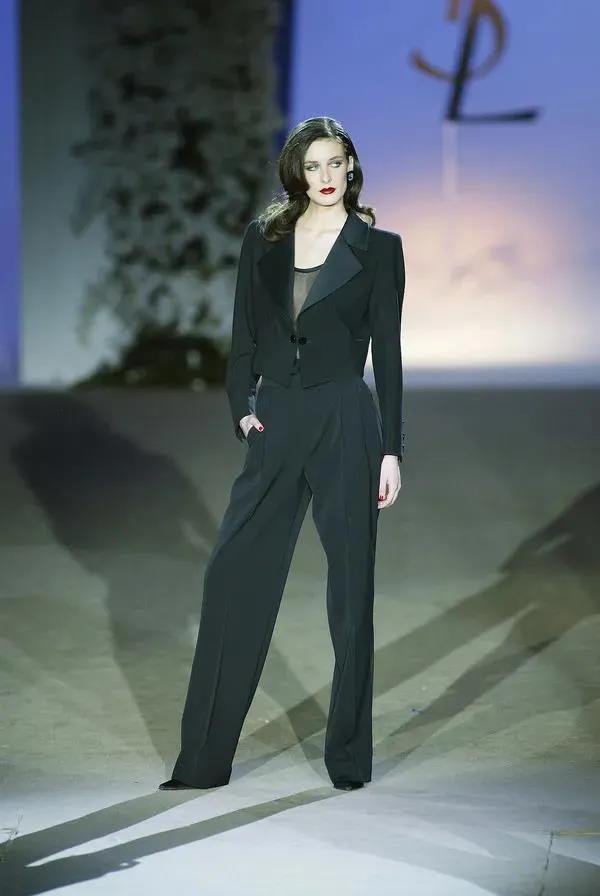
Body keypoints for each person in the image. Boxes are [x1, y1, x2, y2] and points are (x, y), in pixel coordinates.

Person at [159, 116, 405, 793]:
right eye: (313, 165)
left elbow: (388, 352)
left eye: (336, 163)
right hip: (275, 420)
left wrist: (392, 449)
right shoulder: (263, 239)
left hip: (345, 420)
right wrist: (241, 405)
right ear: (297, 172)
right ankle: (202, 762)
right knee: (231, 576)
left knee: (350, 593)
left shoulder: (379, 249)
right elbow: (243, 330)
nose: (326, 176)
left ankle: (348, 759)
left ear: (351, 167)